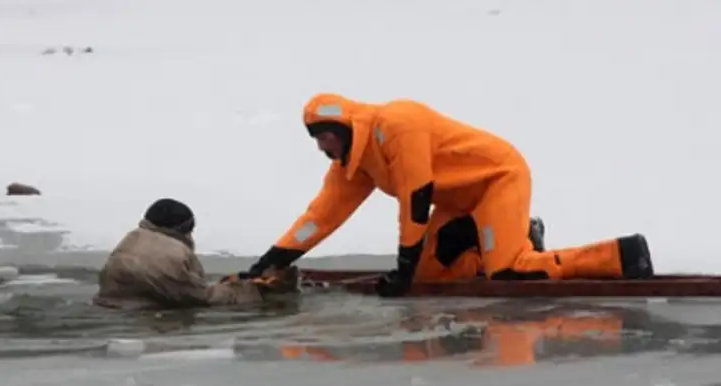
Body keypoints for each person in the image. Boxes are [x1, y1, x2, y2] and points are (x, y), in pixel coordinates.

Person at [237, 93, 654, 297]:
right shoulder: (356, 162)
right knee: (426, 279)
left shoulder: (398, 124)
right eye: (317, 140)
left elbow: (416, 198)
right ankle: (495, 239)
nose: (321, 148)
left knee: (509, 273)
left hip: (497, 181)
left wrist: (401, 265)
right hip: (458, 204)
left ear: (344, 128)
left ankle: (622, 254)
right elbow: (321, 216)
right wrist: (271, 260)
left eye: (324, 137)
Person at [93, 198, 297, 310]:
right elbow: (201, 298)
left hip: (106, 306)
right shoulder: (174, 253)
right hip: (143, 320)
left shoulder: (131, 239)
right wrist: (254, 290)